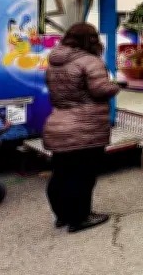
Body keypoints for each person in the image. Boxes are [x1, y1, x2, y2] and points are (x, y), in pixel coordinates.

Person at [43, 23, 120, 233]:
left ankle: (62, 215)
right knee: (83, 175)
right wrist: (117, 86)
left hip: (58, 123)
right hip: (85, 128)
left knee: (60, 173)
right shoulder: (90, 61)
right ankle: (80, 218)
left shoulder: (54, 61)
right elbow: (99, 90)